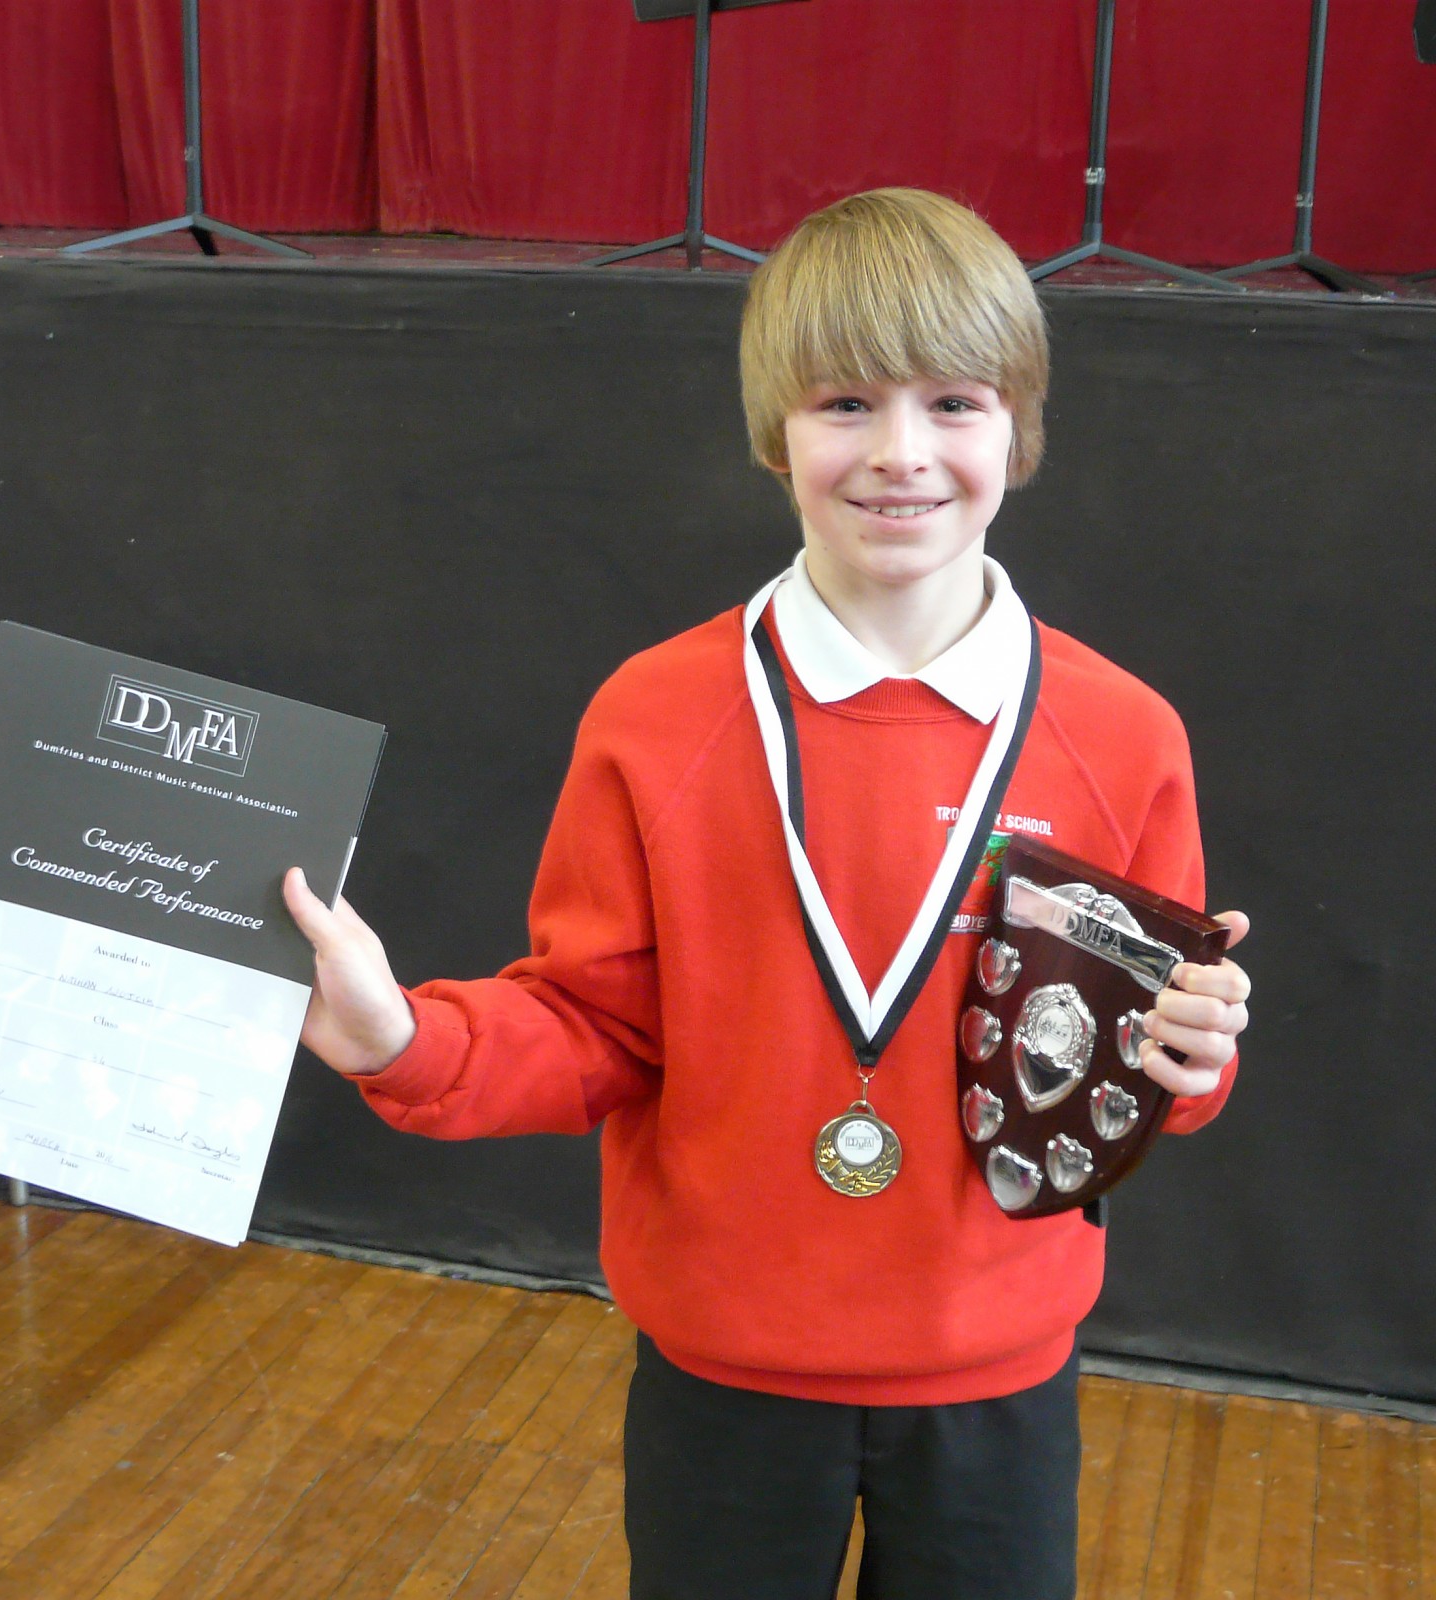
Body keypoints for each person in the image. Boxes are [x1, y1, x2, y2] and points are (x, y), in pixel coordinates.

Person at [283, 188, 1251, 1600]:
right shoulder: (658, 715)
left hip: (996, 1375)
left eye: (955, 403)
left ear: (1019, 430)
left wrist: (1193, 1059)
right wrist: (404, 1041)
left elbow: (1138, 1055)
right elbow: (597, 1025)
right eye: (846, 403)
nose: (902, 453)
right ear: (774, 431)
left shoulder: (1123, 735)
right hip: (723, 1377)